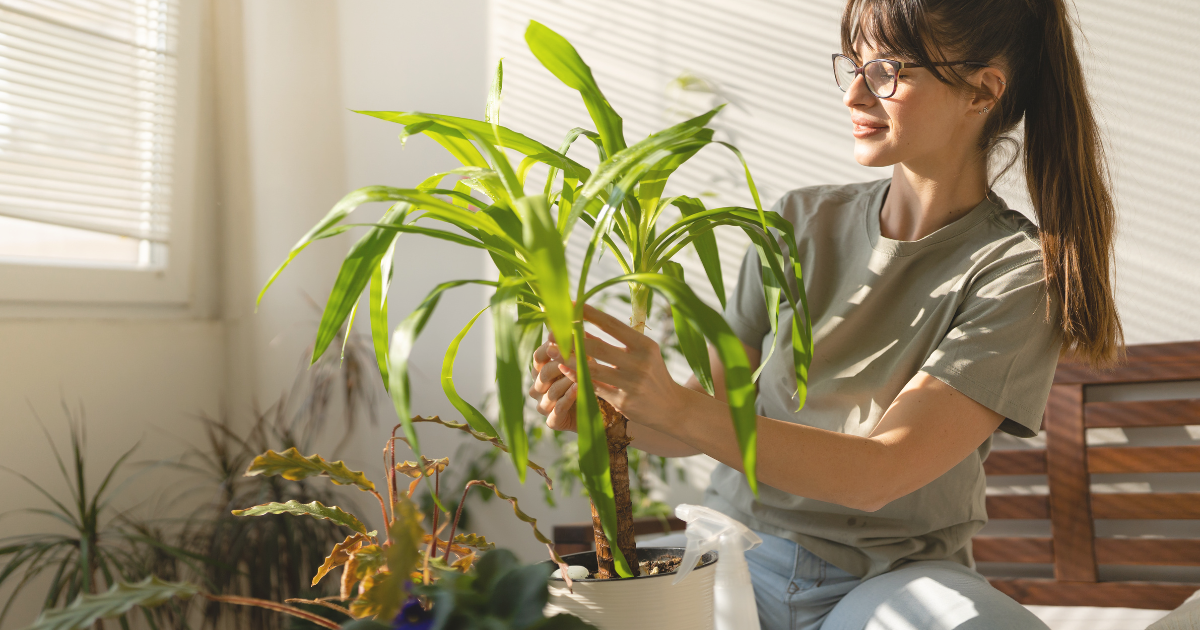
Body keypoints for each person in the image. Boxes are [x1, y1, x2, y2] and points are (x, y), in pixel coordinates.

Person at [528, 0, 1122, 627]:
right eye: (854, 67)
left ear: (983, 90)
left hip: (887, 580)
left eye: (888, 71)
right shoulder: (798, 222)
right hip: (735, 557)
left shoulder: (1017, 271)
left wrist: (675, 405)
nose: (855, 96)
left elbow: (883, 471)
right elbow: (704, 421)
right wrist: (613, 410)